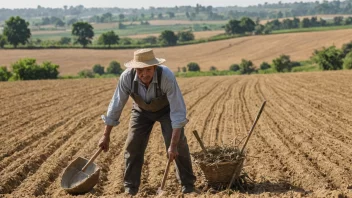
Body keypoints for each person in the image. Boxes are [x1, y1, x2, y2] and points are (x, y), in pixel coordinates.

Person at [98, 49, 196, 195]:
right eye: (140, 70)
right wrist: (106, 135)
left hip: (166, 111)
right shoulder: (127, 77)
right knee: (133, 144)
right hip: (141, 111)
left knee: (178, 144)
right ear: (134, 69)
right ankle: (130, 187)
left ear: (155, 67)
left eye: (148, 69)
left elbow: (178, 111)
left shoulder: (166, 76)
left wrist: (173, 145)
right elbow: (116, 105)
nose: (144, 74)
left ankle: (188, 185)